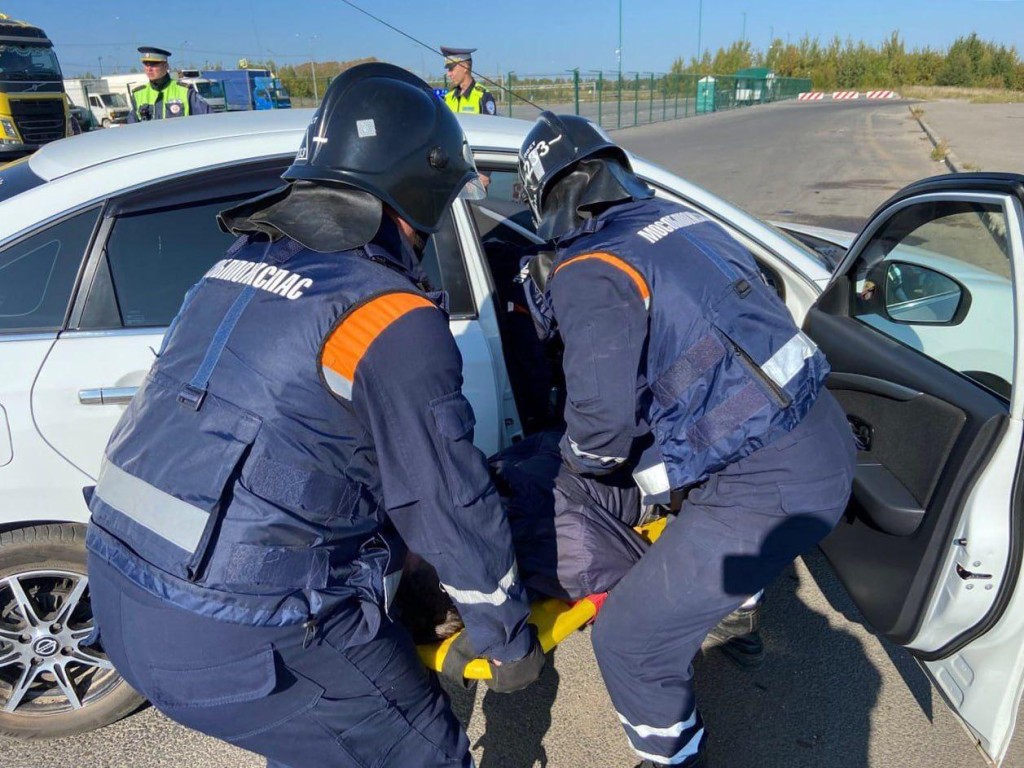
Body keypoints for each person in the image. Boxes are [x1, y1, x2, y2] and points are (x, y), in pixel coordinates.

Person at [84, 63, 545, 768]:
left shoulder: (234, 266)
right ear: (422, 188)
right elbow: (446, 501)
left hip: (121, 599)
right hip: (241, 637)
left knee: (319, 742)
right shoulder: (387, 315)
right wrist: (508, 639)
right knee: (418, 746)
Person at [517, 112, 856, 767]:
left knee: (628, 640)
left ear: (546, 201)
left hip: (764, 483)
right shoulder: (684, 221)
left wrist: (571, 470)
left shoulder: (589, 267)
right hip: (822, 433)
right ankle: (735, 623)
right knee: (686, 497)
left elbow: (600, 436)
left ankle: (674, 758)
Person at [127, 46, 210, 123]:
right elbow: (132, 128)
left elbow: (209, 119)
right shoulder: (138, 94)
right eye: (146, 64)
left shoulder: (185, 91)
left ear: (166, 66)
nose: (149, 69)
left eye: (153, 64)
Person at [441, 46, 497, 116]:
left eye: (451, 69)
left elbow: (490, 125)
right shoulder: (448, 98)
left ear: (465, 67)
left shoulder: (482, 97)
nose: (448, 74)